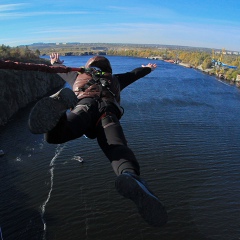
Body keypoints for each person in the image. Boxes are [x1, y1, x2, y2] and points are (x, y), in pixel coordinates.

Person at [28, 53, 168, 227]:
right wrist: (148, 68)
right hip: (107, 113)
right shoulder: (115, 79)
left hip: (84, 107)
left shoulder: (79, 75)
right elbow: (134, 74)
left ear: (90, 65)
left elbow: (60, 70)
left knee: (57, 135)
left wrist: (55, 62)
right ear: (108, 68)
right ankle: (130, 175)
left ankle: (60, 110)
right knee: (116, 147)